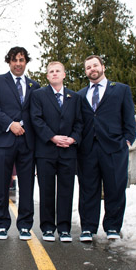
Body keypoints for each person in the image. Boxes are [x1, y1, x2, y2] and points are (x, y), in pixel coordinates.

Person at [77, 55, 136, 242]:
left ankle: (112, 227)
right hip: (87, 149)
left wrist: (127, 140)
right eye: (88, 67)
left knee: (115, 188)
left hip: (114, 148)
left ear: (103, 66)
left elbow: (129, 118)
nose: (92, 69)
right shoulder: (79, 95)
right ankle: (87, 227)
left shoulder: (120, 90)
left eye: (95, 65)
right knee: (88, 189)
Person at [0, 46, 40, 240]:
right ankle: (1, 224)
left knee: (27, 186)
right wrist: (10, 124)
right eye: (14, 60)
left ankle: (25, 225)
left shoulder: (35, 85)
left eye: (22, 60)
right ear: (9, 61)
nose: (18, 64)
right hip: (3, 140)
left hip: (27, 143)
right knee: (1, 185)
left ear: (26, 62)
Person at [30, 61, 83, 242]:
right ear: (47, 76)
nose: (54, 73)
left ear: (64, 74)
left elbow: (80, 122)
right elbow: (36, 119)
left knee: (66, 190)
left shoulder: (74, 97)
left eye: (57, 71)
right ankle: (47, 228)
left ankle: (64, 228)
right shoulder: (38, 95)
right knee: (46, 190)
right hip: (46, 151)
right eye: (51, 71)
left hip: (68, 151)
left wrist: (73, 138)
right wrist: (52, 137)